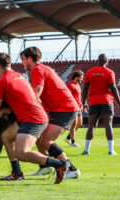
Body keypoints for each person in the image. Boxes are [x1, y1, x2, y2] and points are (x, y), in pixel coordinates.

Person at [0, 52, 69, 184]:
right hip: (34, 116)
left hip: (32, 119)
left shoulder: (1, 82)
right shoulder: (20, 76)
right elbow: (23, 99)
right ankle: (17, 173)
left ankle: (60, 164)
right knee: (6, 136)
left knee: (22, 153)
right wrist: (6, 109)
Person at [21, 47, 80, 179]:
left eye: (23, 59)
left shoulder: (37, 69)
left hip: (65, 109)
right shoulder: (41, 69)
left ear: (30, 59)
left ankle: (71, 169)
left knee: (47, 140)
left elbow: (36, 93)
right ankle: (45, 166)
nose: (22, 63)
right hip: (59, 109)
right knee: (39, 136)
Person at [81, 54, 120, 155]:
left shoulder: (90, 72)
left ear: (98, 60)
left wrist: (84, 102)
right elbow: (113, 87)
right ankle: (111, 150)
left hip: (94, 101)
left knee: (91, 125)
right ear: (106, 61)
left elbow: (85, 88)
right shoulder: (109, 72)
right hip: (106, 101)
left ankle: (86, 150)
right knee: (108, 125)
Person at [64, 70, 84, 148]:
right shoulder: (70, 85)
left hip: (78, 107)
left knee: (79, 124)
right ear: (76, 77)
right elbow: (67, 97)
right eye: (81, 78)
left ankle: (68, 138)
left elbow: (78, 96)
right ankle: (73, 142)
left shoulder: (78, 85)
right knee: (74, 125)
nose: (82, 80)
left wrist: (81, 104)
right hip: (73, 107)